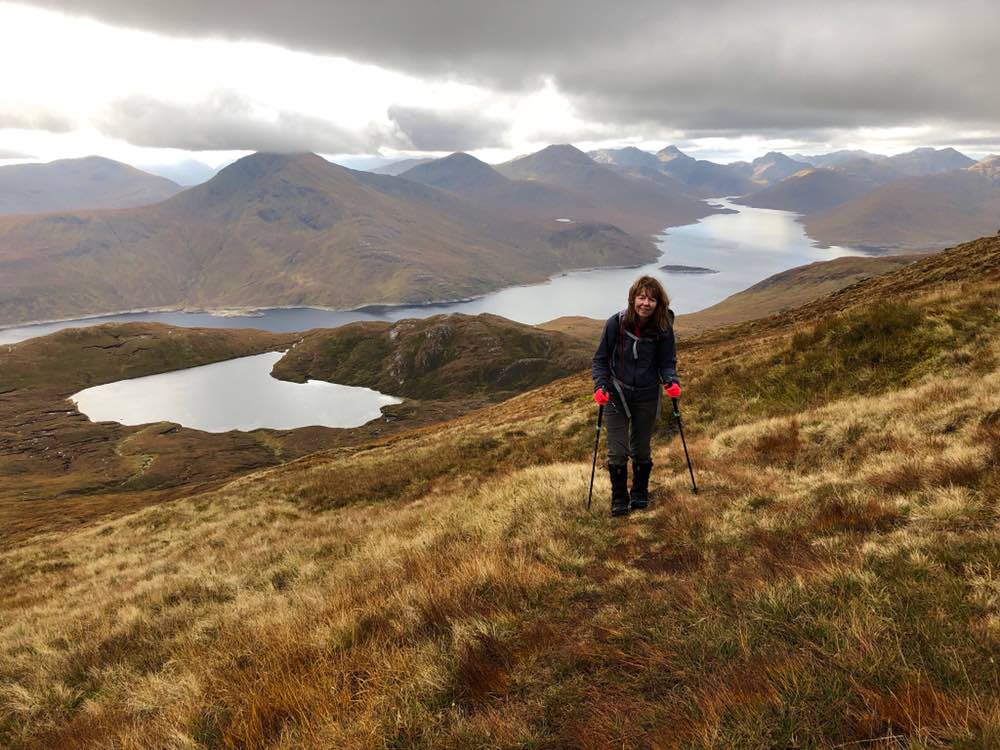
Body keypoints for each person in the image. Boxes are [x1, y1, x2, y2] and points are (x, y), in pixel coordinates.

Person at [591, 275, 681, 516]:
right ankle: (619, 497)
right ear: (632, 299)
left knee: (641, 449)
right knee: (617, 450)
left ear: (659, 303)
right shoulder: (615, 324)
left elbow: (667, 362)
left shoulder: (663, 328)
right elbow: (600, 360)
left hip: (647, 394)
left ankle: (640, 492)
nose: (645, 303)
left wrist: (671, 380)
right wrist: (600, 386)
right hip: (616, 394)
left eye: (651, 299)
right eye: (641, 297)